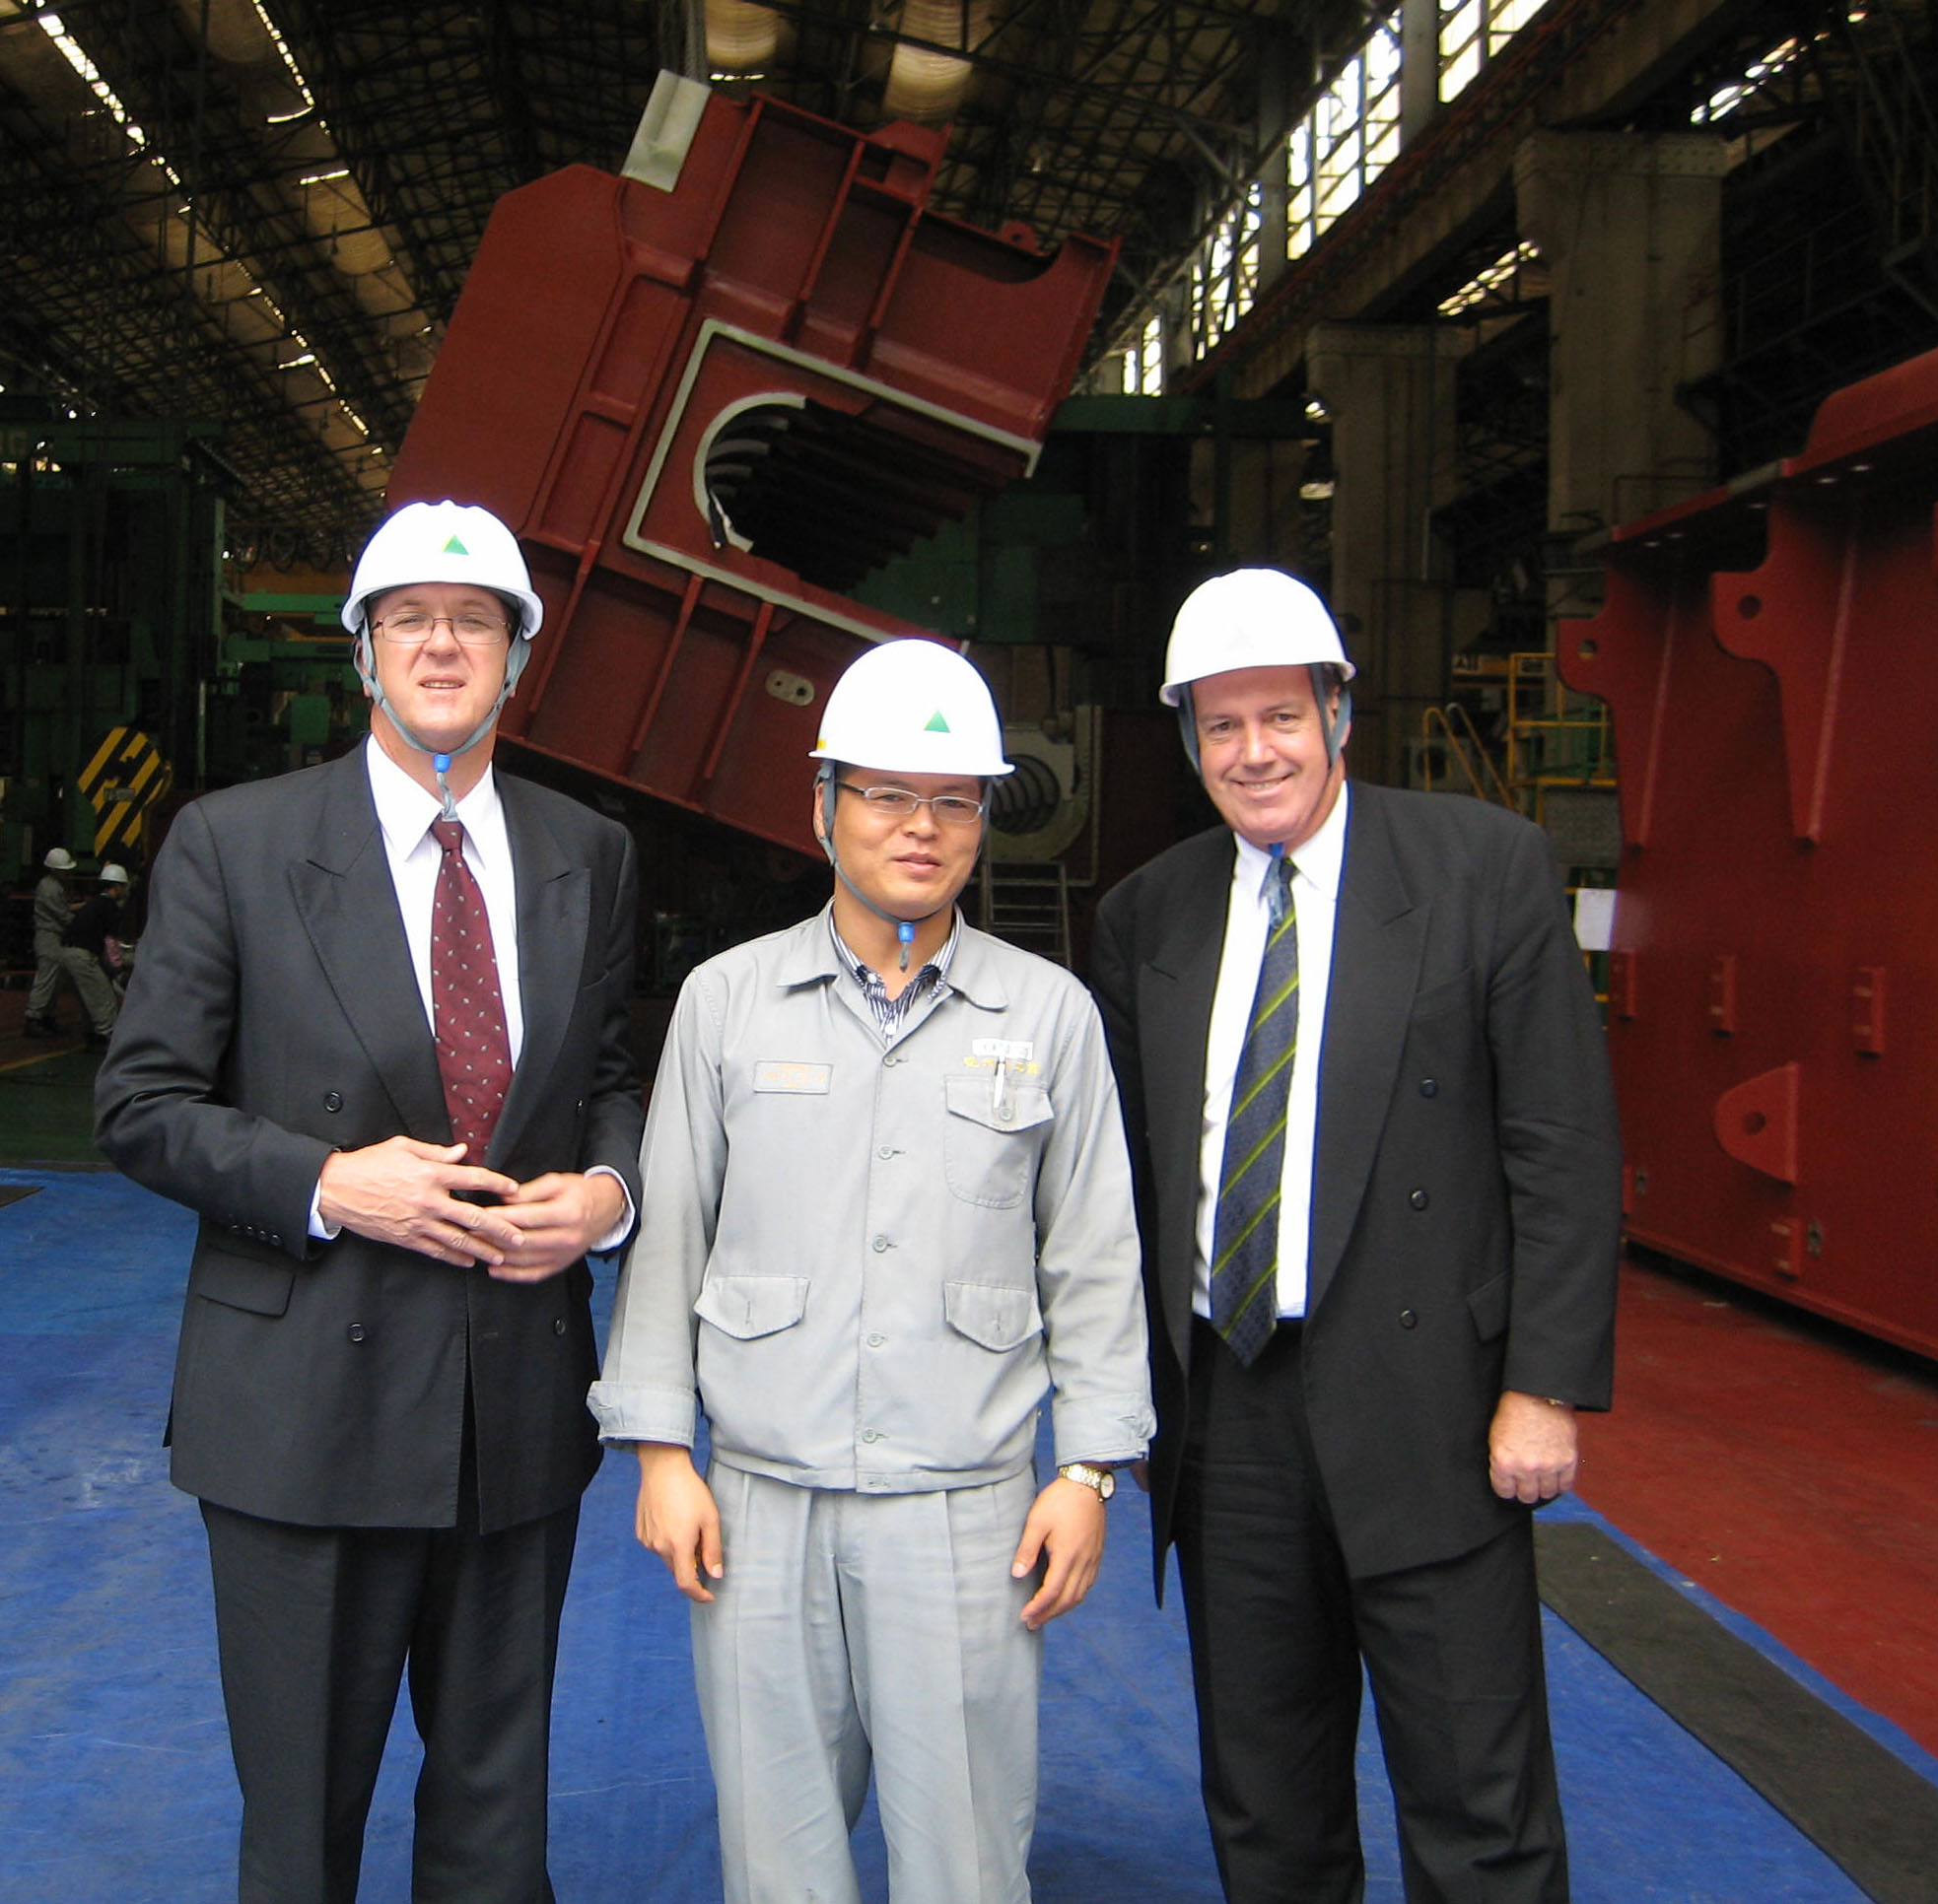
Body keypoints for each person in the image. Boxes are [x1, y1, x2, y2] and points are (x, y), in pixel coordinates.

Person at [95, 499, 645, 1904]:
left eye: (474, 621)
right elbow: (142, 1104)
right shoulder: (236, 843)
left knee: (495, 1836)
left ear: (518, 656)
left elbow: (614, 1079)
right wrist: (330, 1182)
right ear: (363, 653)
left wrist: (605, 1193)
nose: (442, 645)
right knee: (302, 1834)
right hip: (302, 1418)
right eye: (410, 620)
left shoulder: (587, 852)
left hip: (512, 1411)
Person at [591, 638, 1153, 1904]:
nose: (922, 826)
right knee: (776, 1857)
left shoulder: (1048, 1015)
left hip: (965, 1511)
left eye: (955, 800)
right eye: (887, 793)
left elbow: (1093, 1254)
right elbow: (671, 1233)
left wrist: (1088, 1472)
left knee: (965, 1858)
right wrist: (663, 1455)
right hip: (759, 1503)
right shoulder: (728, 1003)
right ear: (822, 806)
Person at [1089, 570, 1620, 1904]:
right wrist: (1128, 1402)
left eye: (1280, 715)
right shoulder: (1148, 913)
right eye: (1220, 725)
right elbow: (1130, 1179)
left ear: (1338, 713)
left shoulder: (1481, 869)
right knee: (1266, 1801)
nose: (1253, 752)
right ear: (1189, 739)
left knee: (1478, 1803)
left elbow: (1559, 1144)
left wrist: (1543, 1386)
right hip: (1229, 1414)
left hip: (1432, 1403)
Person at [56, 861, 129, 1049]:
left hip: (65, 953)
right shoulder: (109, 907)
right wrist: (118, 969)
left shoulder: (94, 904)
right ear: (117, 887)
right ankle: (107, 1037)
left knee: (88, 999)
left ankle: (90, 1035)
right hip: (82, 956)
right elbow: (110, 942)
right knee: (105, 998)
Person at [23, 845, 77, 1036]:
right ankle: (34, 1017)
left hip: (53, 936)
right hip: (49, 936)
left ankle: (46, 1015)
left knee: (55, 980)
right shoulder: (50, 888)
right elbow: (63, 915)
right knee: (46, 978)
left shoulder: (53, 885)